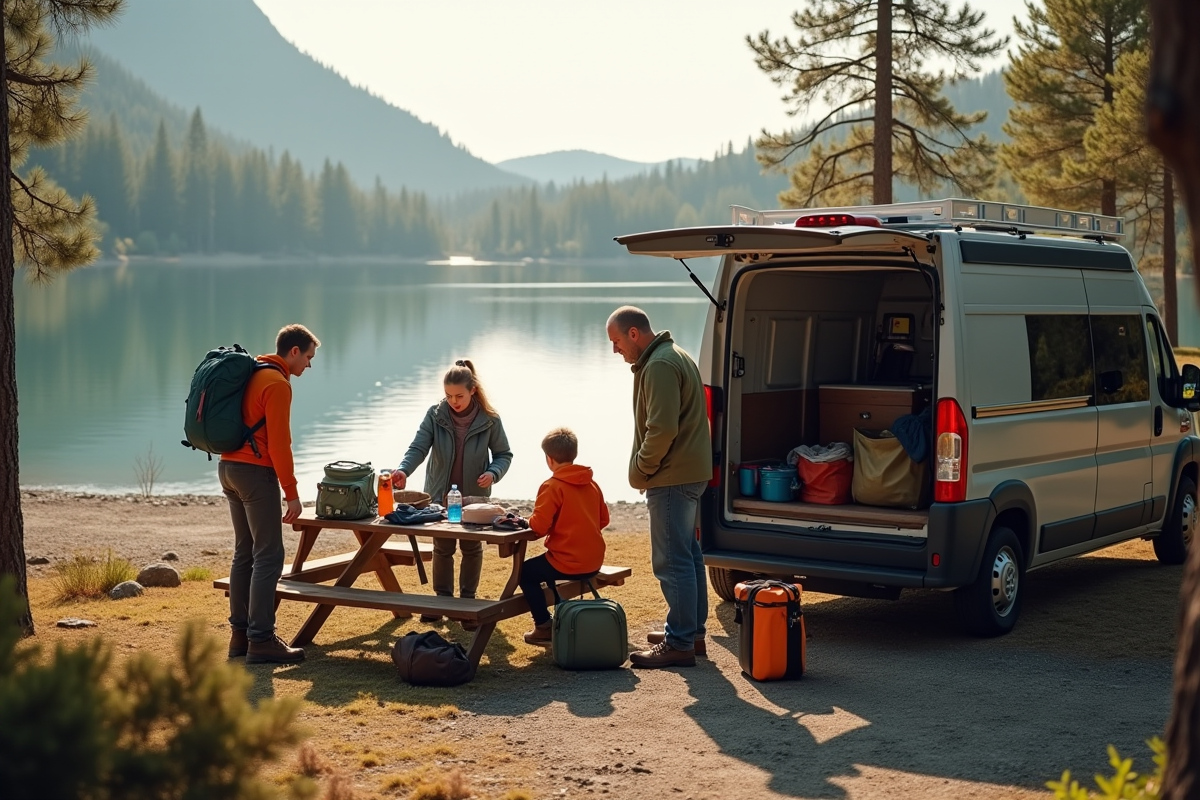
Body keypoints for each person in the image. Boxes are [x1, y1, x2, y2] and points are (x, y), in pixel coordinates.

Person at [606, 306, 712, 668]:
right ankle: (691, 633)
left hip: (672, 476)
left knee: (672, 559)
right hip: (689, 472)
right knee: (689, 553)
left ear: (634, 333)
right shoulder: (674, 355)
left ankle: (680, 642)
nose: (616, 349)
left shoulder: (660, 365)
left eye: (617, 341)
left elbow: (661, 429)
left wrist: (640, 469)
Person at [221, 323, 319, 664]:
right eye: (308, 357)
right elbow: (279, 444)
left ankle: (239, 637)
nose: (308, 365)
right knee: (269, 555)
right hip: (254, 473)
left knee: (244, 553)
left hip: (228, 468)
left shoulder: (253, 373)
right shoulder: (277, 384)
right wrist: (292, 493)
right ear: (293, 351)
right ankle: (261, 639)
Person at [393, 359, 513, 628]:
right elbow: (418, 448)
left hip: (475, 499)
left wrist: (493, 473)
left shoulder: (489, 420)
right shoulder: (436, 415)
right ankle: (442, 602)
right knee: (442, 546)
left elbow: (504, 454)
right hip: (438, 495)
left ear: (473, 390)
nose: (453, 401)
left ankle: (467, 605)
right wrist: (403, 470)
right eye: (448, 396)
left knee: (471, 548)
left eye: (459, 396)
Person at [519, 428, 609, 645]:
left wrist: (525, 521)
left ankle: (543, 626)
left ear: (549, 459)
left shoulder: (552, 486)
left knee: (525, 574)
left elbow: (538, 528)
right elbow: (603, 520)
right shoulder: (591, 483)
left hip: (567, 562)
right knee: (543, 568)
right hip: (594, 560)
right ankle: (553, 618)